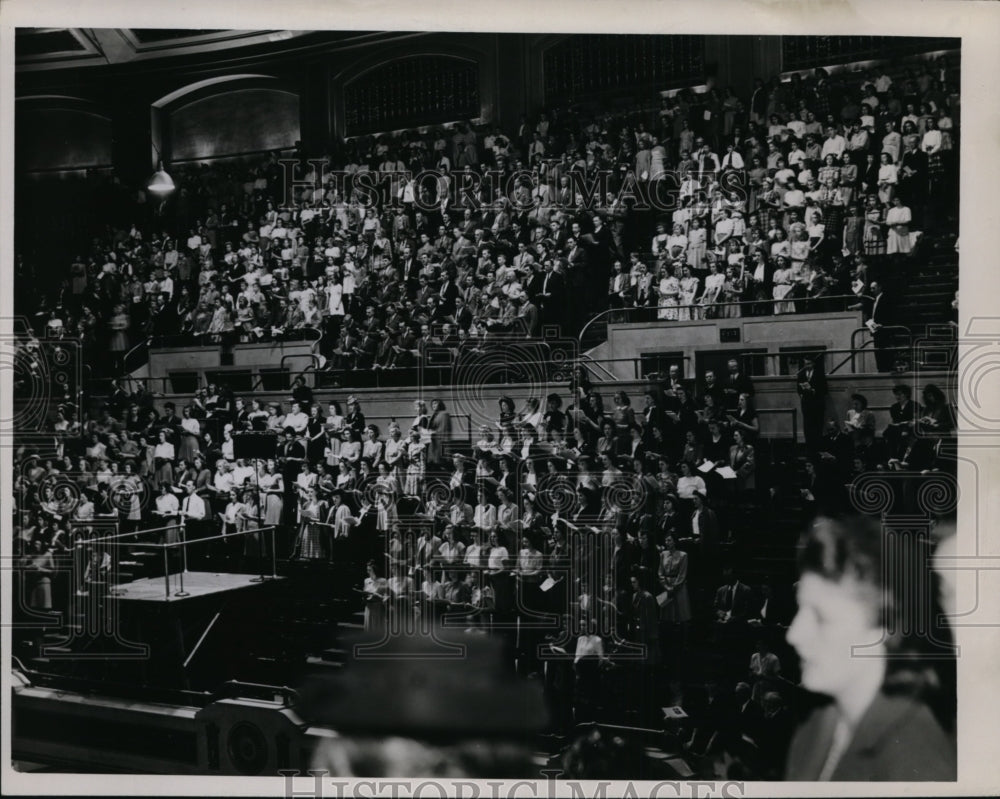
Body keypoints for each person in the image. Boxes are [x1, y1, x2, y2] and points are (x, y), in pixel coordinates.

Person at [784, 515, 956, 780]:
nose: (794, 634)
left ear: (882, 632)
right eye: (800, 610)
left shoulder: (917, 760)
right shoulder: (817, 727)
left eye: (821, 617)